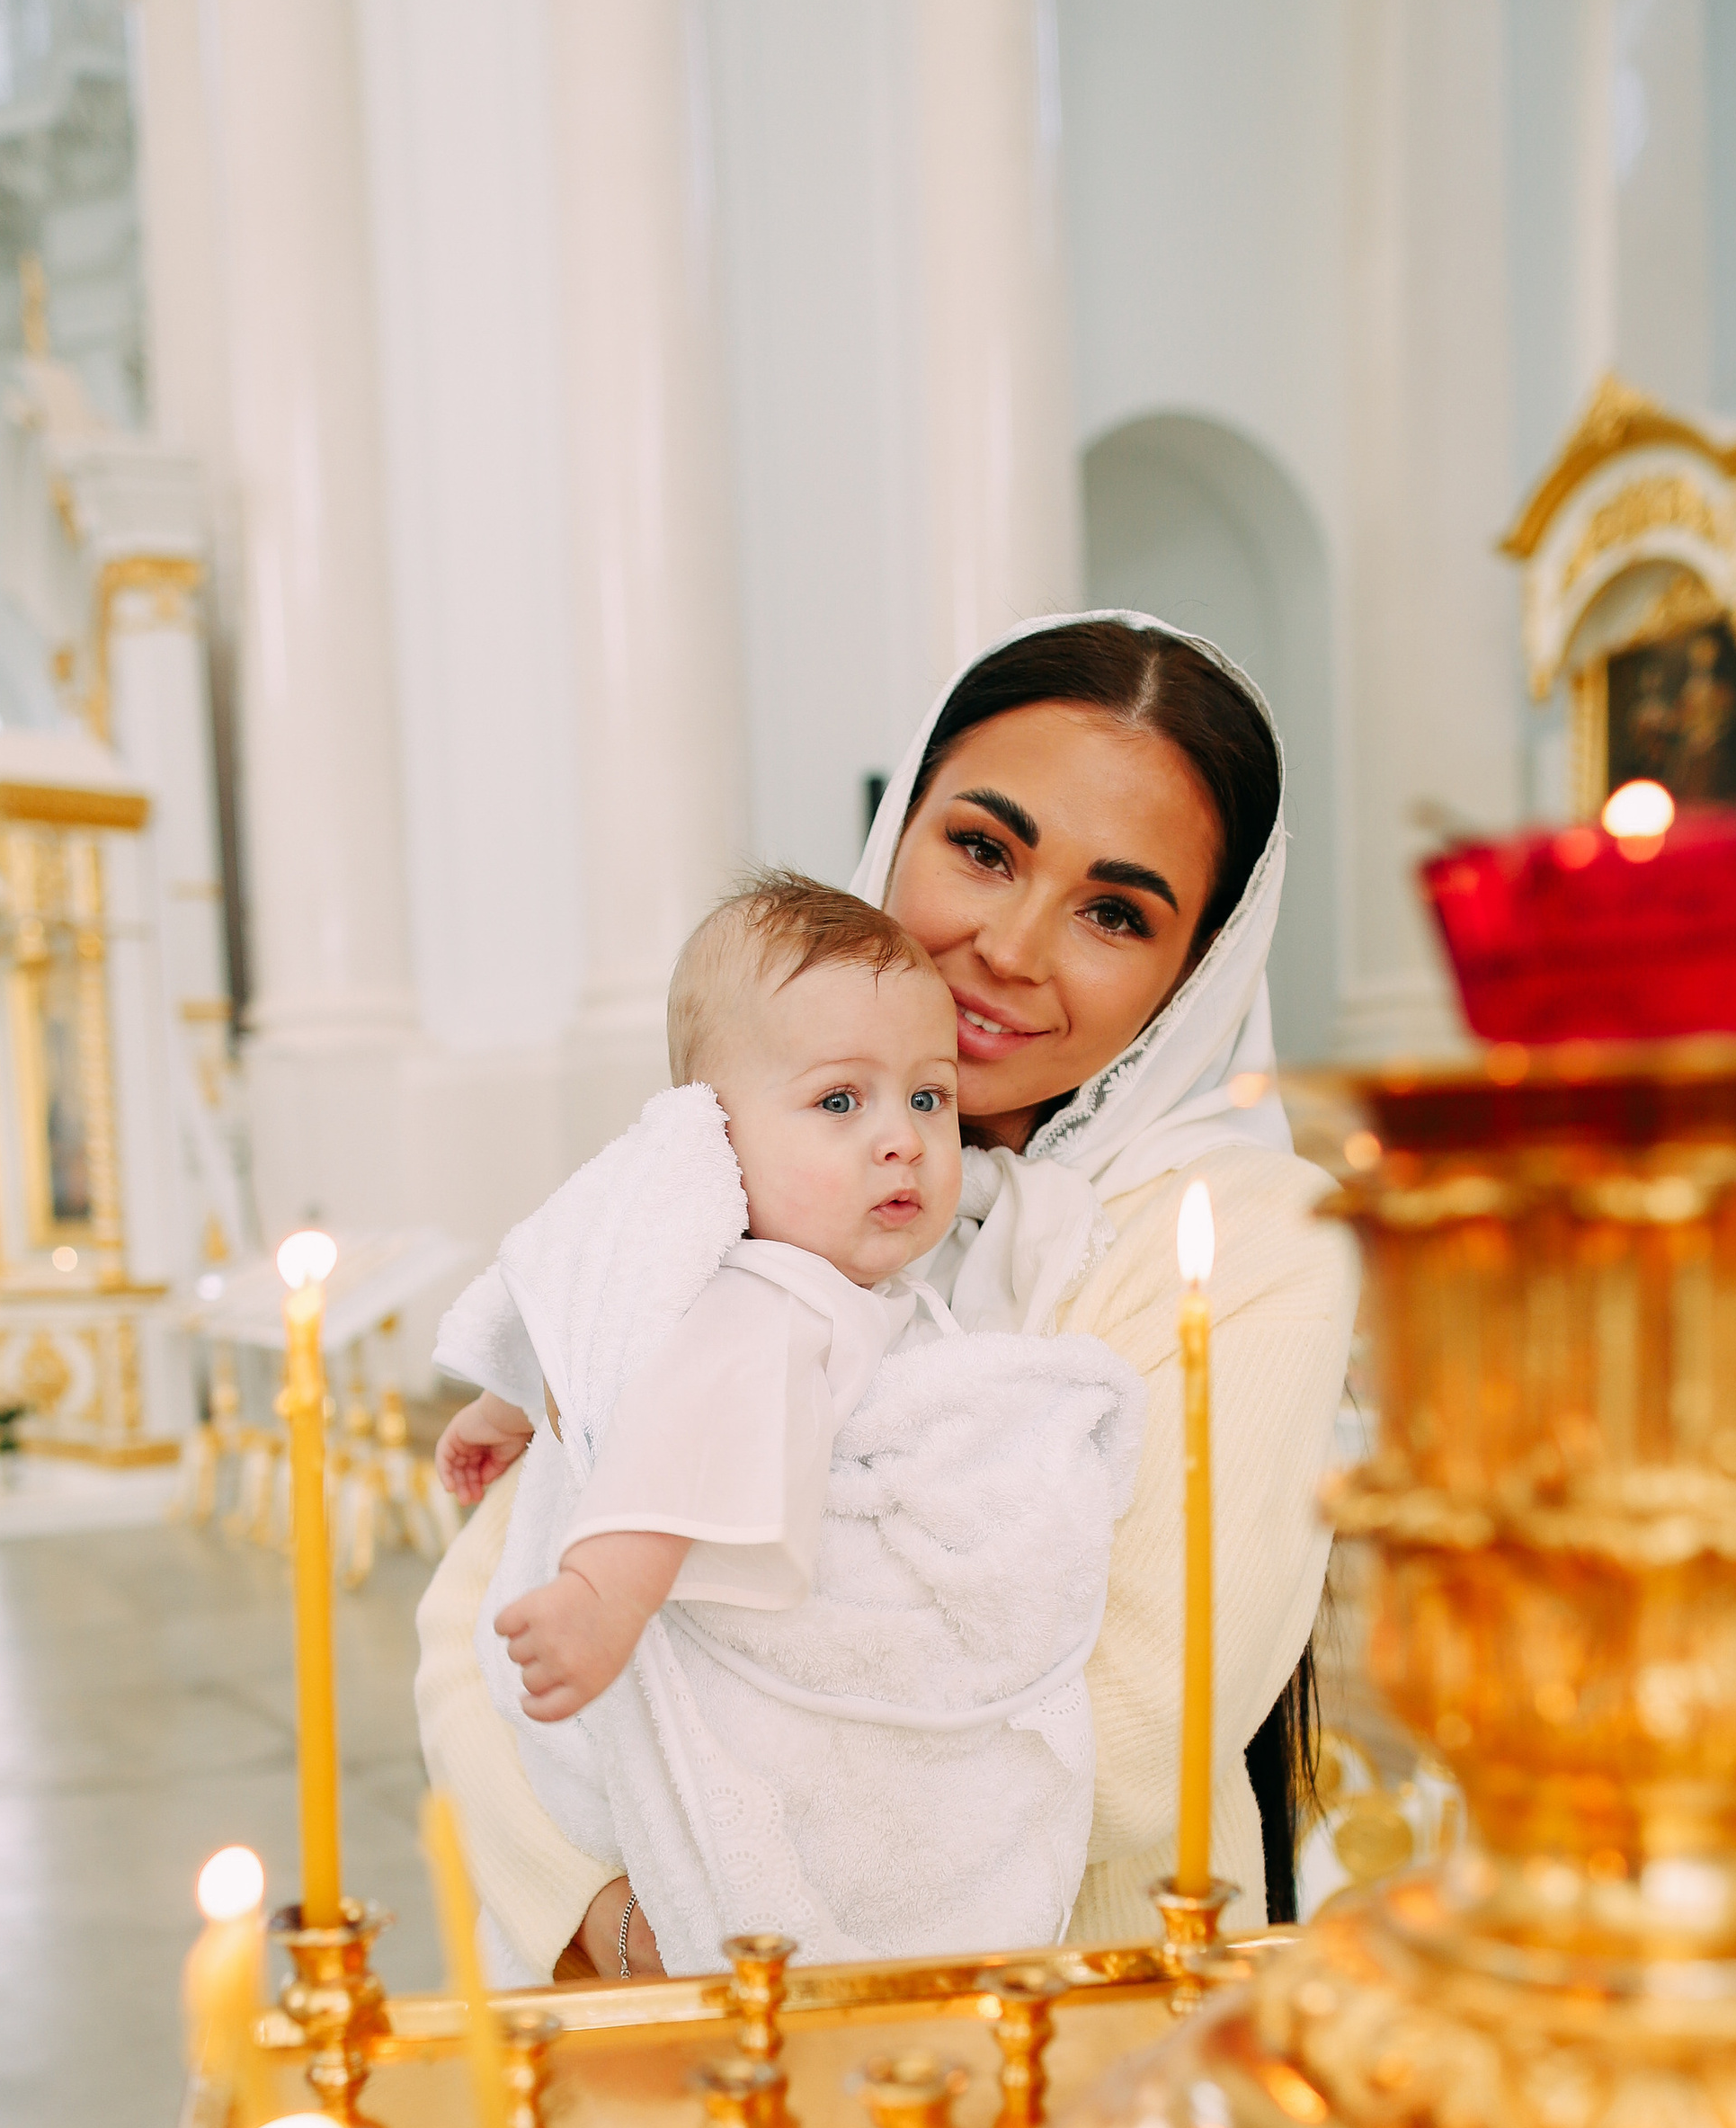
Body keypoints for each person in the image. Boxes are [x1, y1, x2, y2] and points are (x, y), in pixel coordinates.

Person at [415, 610, 1358, 1979]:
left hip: (1052, 2007)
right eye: (983, 849)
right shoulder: (732, 1156)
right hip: (656, 1978)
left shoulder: (1248, 1238)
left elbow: (1143, 1727)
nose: (1013, 946)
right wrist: (614, 1915)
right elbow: (473, 1617)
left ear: (1193, 974)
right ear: (901, 830)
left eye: (1114, 912)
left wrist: (746, 1905)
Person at [429, 872, 1142, 1974]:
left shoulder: (825, 1286)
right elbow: (675, 1441)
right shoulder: (769, 1302)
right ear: (714, 1143)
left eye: (928, 1097)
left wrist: (507, 1407)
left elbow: (589, 1340)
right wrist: (603, 1597)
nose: (901, 1141)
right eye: (840, 1104)